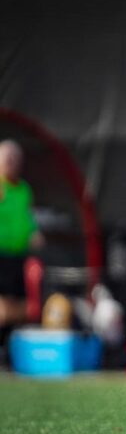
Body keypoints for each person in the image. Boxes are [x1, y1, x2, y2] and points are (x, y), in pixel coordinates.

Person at [0, 140, 43, 328]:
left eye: (15, 159)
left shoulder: (24, 189)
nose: (11, 163)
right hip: (1, 253)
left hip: (19, 255)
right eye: (7, 159)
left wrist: (34, 233)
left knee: (23, 304)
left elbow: (29, 217)